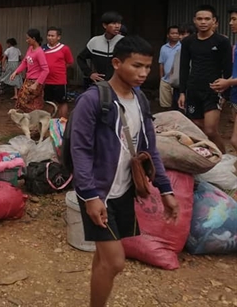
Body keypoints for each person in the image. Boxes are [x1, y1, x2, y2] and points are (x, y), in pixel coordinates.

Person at [70, 36, 178, 307]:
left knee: (104, 258)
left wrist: (165, 188)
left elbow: (149, 148)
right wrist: (90, 196)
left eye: (148, 67)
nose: (143, 74)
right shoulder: (92, 100)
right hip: (97, 190)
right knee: (116, 261)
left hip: (123, 189)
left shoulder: (140, 100)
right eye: (136, 66)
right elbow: (80, 150)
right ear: (117, 63)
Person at [178, 5, 233, 152]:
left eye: (207, 19)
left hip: (213, 90)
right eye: (200, 19)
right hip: (193, 89)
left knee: (210, 130)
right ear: (194, 21)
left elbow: (227, 68)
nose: (203, 22)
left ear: (214, 21)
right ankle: (207, 158)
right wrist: (182, 92)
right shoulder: (188, 42)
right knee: (197, 127)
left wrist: (226, 92)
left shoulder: (222, 42)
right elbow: (183, 67)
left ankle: (223, 158)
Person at [210, 6, 237, 152]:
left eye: (234, 19)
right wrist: (226, 84)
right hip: (235, 97)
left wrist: (229, 82)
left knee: (235, 140)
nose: (230, 23)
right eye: (231, 19)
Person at [77, 11, 124, 84]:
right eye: (114, 23)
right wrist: (90, 73)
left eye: (119, 23)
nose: (117, 26)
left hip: (120, 84)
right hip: (101, 84)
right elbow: (80, 58)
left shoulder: (124, 42)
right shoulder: (95, 41)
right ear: (105, 25)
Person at [10, 29, 49, 112]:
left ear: (34, 39)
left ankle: (33, 120)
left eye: (28, 38)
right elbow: (25, 62)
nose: (26, 40)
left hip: (35, 81)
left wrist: (36, 84)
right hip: (28, 79)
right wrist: (16, 72)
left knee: (25, 102)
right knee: (27, 102)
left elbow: (45, 70)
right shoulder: (30, 48)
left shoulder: (39, 52)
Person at [43, 27, 74, 118]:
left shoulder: (64, 49)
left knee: (62, 102)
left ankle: (62, 122)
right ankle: (47, 122)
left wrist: (58, 69)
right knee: (48, 102)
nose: (50, 38)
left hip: (59, 81)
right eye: (48, 35)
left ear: (58, 37)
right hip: (47, 81)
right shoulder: (43, 49)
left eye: (52, 36)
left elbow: (69, 62)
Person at [158, 26, 181, 109]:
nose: (175, 35)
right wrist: (161, 78)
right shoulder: (163, 48)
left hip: (177, 81)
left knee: (178, 105)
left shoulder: (182, 47)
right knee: (165, 105)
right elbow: (161, 63)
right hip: (165, 80)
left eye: (177, 33)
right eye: (172, 33)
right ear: (168, 35)